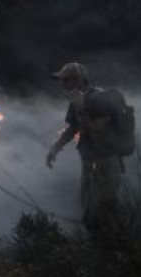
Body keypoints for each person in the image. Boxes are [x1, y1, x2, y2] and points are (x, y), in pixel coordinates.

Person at [45, 62, 124, 234]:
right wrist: (55, 148)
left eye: (65, 80)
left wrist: (82, 108)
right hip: (89, 163)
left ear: (77, 80)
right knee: (95, 210)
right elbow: (74, 128)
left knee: (100, 211)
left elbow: (98, 133)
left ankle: (114, 251)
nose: (62, 85)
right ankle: (111, 248)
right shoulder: (76, 101)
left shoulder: (99, 99)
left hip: (105, 162)